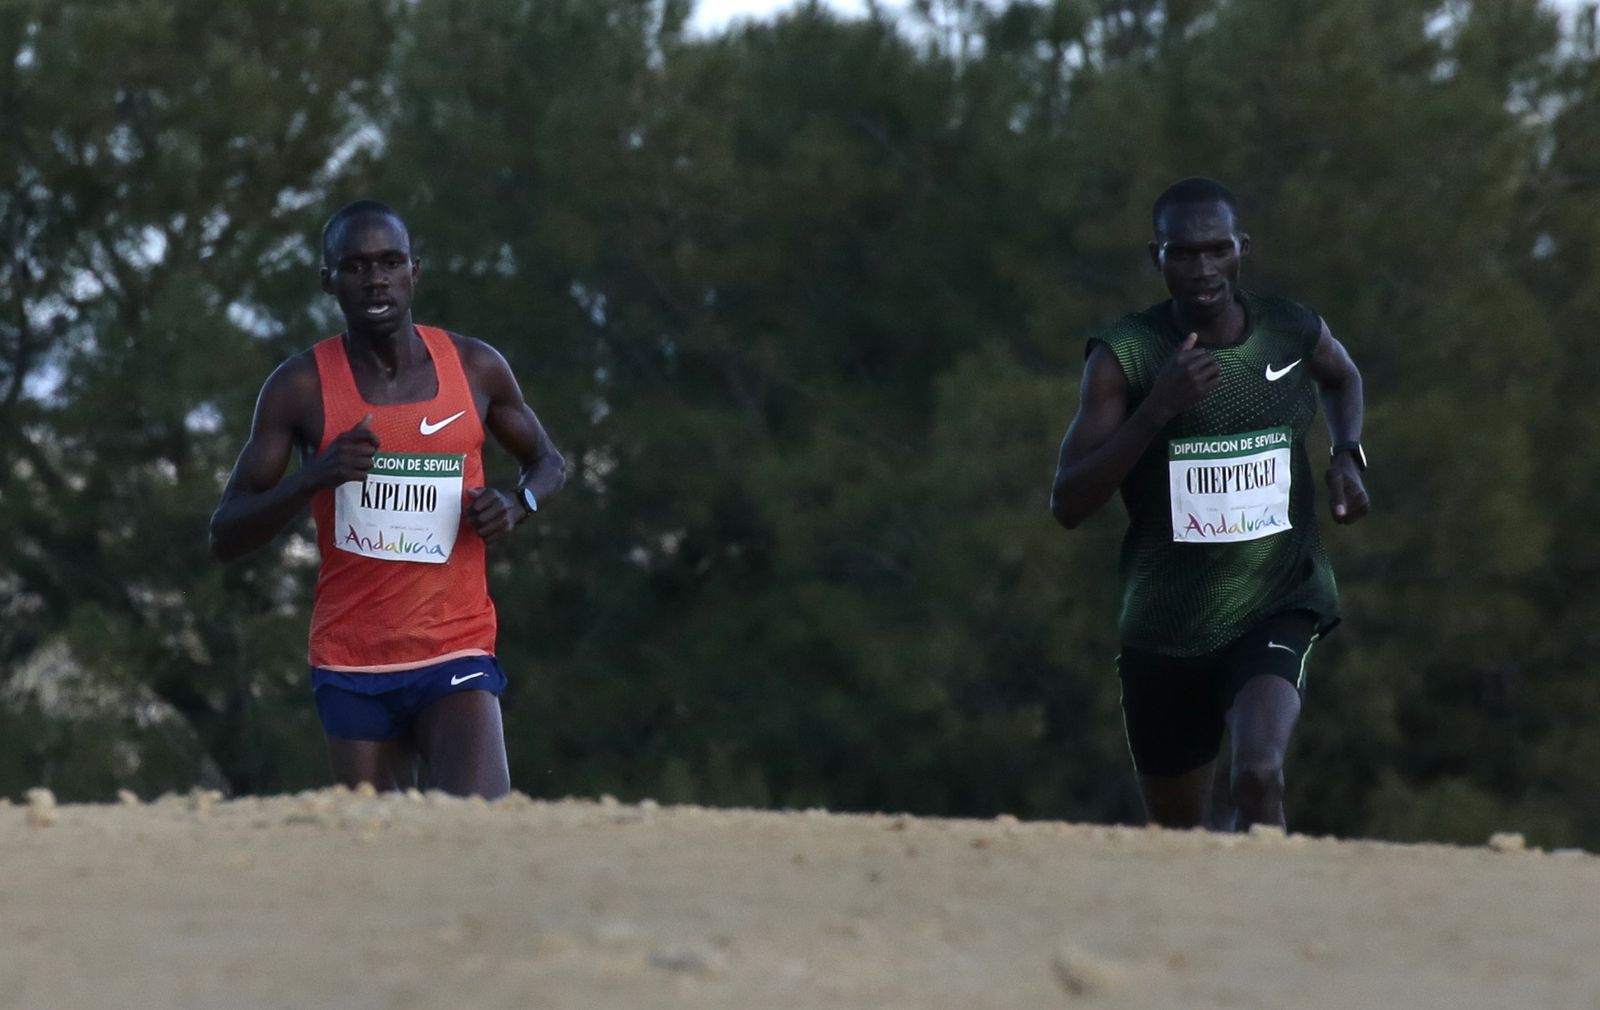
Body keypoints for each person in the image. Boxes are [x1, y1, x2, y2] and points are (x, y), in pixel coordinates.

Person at [210, 200, 565, 799]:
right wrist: (312, 478)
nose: (375, 278)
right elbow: (226, 533)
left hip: (456, 644)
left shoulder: (475, 368)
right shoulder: (299, 388)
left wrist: (518, 503)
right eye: (354, 266)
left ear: (414, 272)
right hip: (353, 659)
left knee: (481, 830)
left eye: (389, 262)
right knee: (380, 851)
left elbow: (549, 463)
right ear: (329, 282)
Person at [1049, 178, 1369, 830]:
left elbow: (1342, 375)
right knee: (1179, 838)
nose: (1202, 270)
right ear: (1156, 257)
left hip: (1277, 604)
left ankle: (1273, 913)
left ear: (1241, 249)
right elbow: (1068, 502)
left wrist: (1347, 454)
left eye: (1217, 250)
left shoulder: (1289, 329)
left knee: (1258, 774)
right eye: (1184, 253)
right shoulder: (1125, 356)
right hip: (1165, 625)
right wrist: (1156, 410)